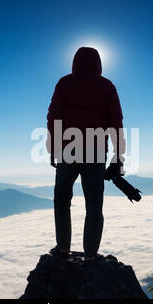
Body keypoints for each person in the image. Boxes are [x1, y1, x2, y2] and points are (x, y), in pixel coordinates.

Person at [46, 47, 125, 261]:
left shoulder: (64, 83)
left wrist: (53, 148)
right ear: (99, 63)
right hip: (96, 152)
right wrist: (118, 158)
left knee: (62, 199)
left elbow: (54, 119)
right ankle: (90, 256)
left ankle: (63, 250)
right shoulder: (107, 86)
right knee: (94, 204)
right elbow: (116, 125)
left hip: (67, 151)